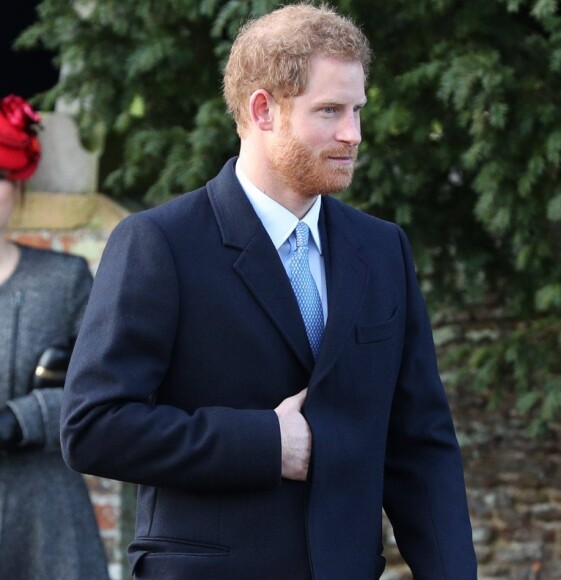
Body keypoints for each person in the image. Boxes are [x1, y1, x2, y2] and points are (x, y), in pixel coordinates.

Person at [61, 4, 477, 579]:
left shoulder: (382, 250)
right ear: (263, 109)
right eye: (329, 110)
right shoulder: (160, 243)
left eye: (357, 109)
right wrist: (262, 442)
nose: (353, 134)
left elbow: (421, 445)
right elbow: (92, 427)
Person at [0, 94, 110, 579]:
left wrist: (23, 418)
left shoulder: (63, 280)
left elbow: (105, 388)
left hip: (45, 515)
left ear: (18, 189)